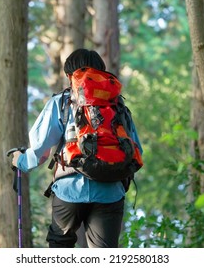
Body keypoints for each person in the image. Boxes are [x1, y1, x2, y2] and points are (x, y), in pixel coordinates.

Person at [12, 48, 143, 248]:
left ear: (69, 76)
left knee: (60, 246)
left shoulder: (62, 102)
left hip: (69, 190)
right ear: (102, 72)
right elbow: (136, 151)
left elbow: (39, 151)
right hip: (110, 191)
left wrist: (19, 160)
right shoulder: (118, 106)